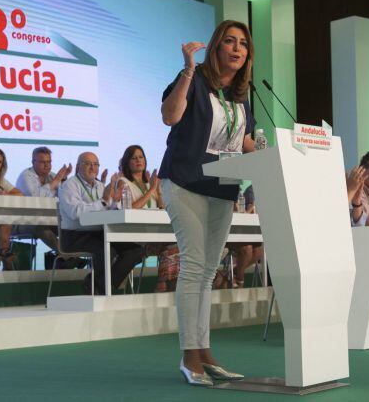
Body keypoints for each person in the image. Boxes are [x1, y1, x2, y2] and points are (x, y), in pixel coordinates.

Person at [160, 20, 256, 386]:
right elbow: (170, 116)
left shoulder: (242, 95)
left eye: (243, 44)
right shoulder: (196, 79)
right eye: (229, 41)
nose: (236, 48)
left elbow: (247, 142)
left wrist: (280, 150)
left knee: (208, 270)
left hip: (223, 187)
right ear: (215, 47)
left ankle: (204, 350)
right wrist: (187, 70)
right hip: (185, 181)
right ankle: (189, 356)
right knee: (195, 265)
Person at [59, 152, 144, 295]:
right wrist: (104, 201)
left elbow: (106, 209)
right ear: (78, 166)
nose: (92, 167)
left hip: (99, 232)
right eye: (88, 164)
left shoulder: (100, 185)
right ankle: (102, 289)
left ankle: (95, 283)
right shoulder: (70, 185)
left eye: (96, 164)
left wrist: (115, 202)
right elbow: (75, 213)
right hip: (75, 235)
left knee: (135, 250)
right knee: (107, 249)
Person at [117, 145, 172, 292]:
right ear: (127, 162)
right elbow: (130, 208)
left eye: (141, 157)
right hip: (135, 237)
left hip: (154, 233)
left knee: (176, 242)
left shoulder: (149, 184)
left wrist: (158, 191)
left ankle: (165, 284)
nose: (138, 160)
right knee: (171, 243)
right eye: (134, 158)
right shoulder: (123, 182)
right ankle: (162, 284)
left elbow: (162, 208)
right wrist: (151, 190)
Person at [15, 146, 72, 252]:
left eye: (49, 162)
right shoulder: (26, 176)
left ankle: (70, 257)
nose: (47, 165)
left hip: (49, 220)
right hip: (22, 222)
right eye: (42, 162)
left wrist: (64, 180)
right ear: (33, 162)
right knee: (38, 225)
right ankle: (65, 255)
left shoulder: (52, 176)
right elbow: (37, 199)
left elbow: (65, 198)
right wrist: (56, 181)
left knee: (70, 226)